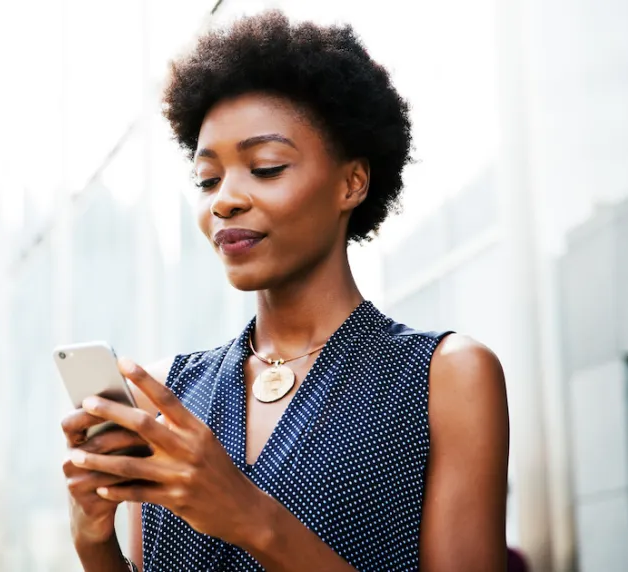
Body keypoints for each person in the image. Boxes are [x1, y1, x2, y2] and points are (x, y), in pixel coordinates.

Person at [60, 10, 509, 572]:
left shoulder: (444, 376)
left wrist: (250, 517)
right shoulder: (165, 395)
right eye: (207, 179)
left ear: (352, 183)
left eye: (266, 167)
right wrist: (94, 544)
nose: (224, 199)